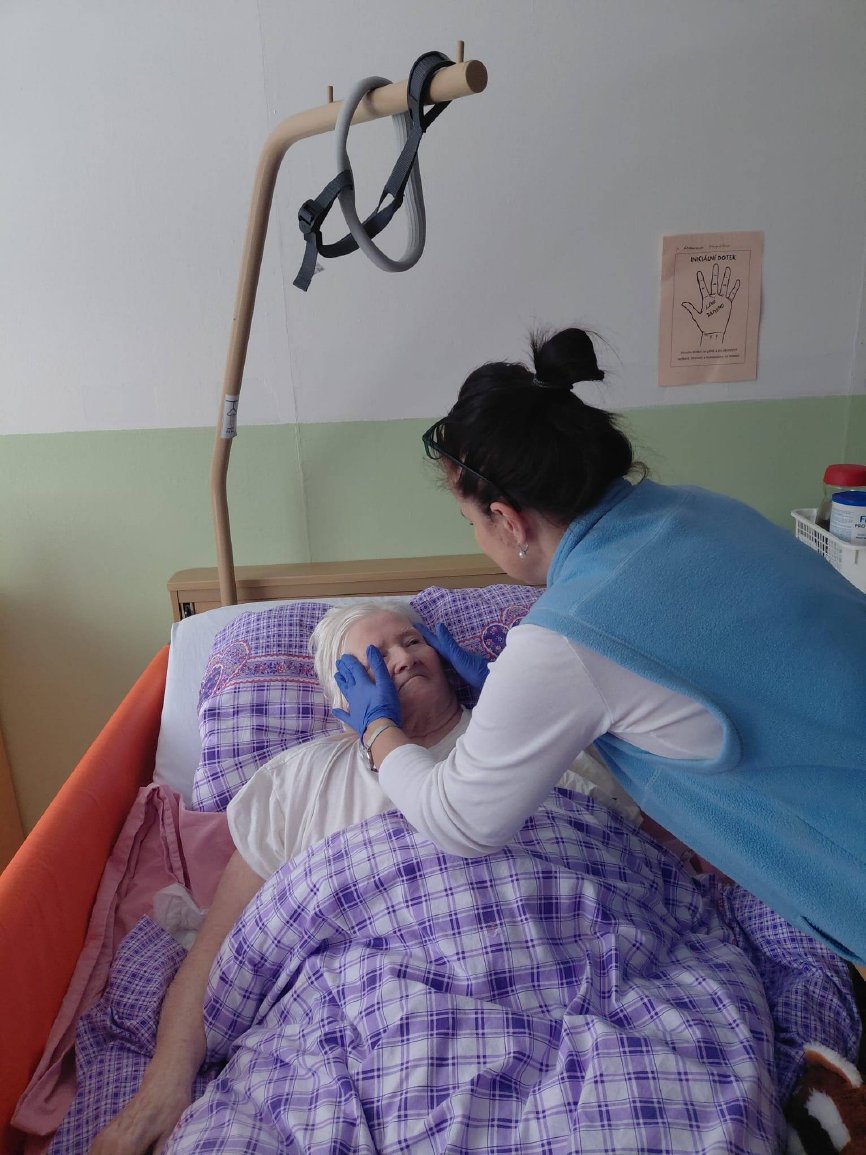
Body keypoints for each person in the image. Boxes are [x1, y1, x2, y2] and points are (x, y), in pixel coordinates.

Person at [333, 325, 866, 970]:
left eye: (469, 522)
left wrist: (378, 730)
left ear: (506, 519)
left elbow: (460, 820)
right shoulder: (698, 509)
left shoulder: (564, 642)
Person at [90, 600, 627, 1155]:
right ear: (343, 700)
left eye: (412, 642)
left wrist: (514, 708)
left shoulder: (526, 736)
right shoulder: (300, 780)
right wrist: (163, 1086)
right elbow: (220, 947)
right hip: (362, 1022)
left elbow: (628, 854)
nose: (403, 658)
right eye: (373, 658)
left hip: (550, 987)